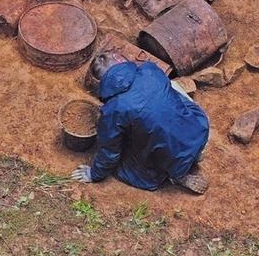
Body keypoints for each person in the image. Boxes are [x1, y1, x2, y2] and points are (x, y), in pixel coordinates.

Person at [70, 52, 210, 194]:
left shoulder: (115, 109)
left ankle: (177, 175)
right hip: (199, 128)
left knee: (125, 163)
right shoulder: (150, 69)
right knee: (171, 88)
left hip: (172, 158)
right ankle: (195, 152)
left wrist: (94, 173)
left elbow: (110, 152)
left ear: (102, 81)